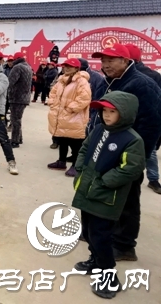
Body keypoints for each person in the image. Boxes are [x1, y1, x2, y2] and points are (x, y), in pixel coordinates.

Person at [90, 43, 161, 262]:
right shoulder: (108, 82)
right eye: (103, 60)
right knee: (105, 193)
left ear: (125, 60)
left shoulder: (141, 84)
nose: (105, 64)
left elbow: (151, 124)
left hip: (127, 153)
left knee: (127, 199)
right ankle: (101, 234)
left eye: (111, 60)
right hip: (106, 148)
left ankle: (124, 245)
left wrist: (136, 158)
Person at [71, 92, 145, 299]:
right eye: (104, 110)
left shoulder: (131, 139)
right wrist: (80, 168)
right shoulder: (99, 130)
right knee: (88, 230)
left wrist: (104, 182)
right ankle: (95, 261)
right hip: (87, 190)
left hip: (106, 197)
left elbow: (130, 168)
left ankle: (109, 277)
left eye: (112, 111)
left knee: (101, 235)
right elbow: (85, 149)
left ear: (126, 113)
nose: (107, 115)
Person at [125, 43, 161, 195]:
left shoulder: (148, 76)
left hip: (139, 121)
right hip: (131, 121)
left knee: (148, 151)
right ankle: (153, 180)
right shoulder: (117, 75)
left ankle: (152, 178)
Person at [46, 58, 91, 176]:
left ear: (77, 68)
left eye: (70, 66)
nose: (66, 68)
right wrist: (53, 103)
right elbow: (53, 93)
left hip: (74, 117)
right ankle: (61, 161)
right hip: (61, 116)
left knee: (75, 143)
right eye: (65, 66)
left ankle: (76, 165)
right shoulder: (61, 80)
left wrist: (70, 108)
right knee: (62, 139)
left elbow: (84, 98)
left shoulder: (81, 81)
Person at [7, 52, 32, 148]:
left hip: (16, 97)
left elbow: (10, 82)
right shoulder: (27, 66)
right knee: (17, 119)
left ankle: (15, 141)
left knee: (15, 120)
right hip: (24, 97)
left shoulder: (17, 67)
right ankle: (18, 138)